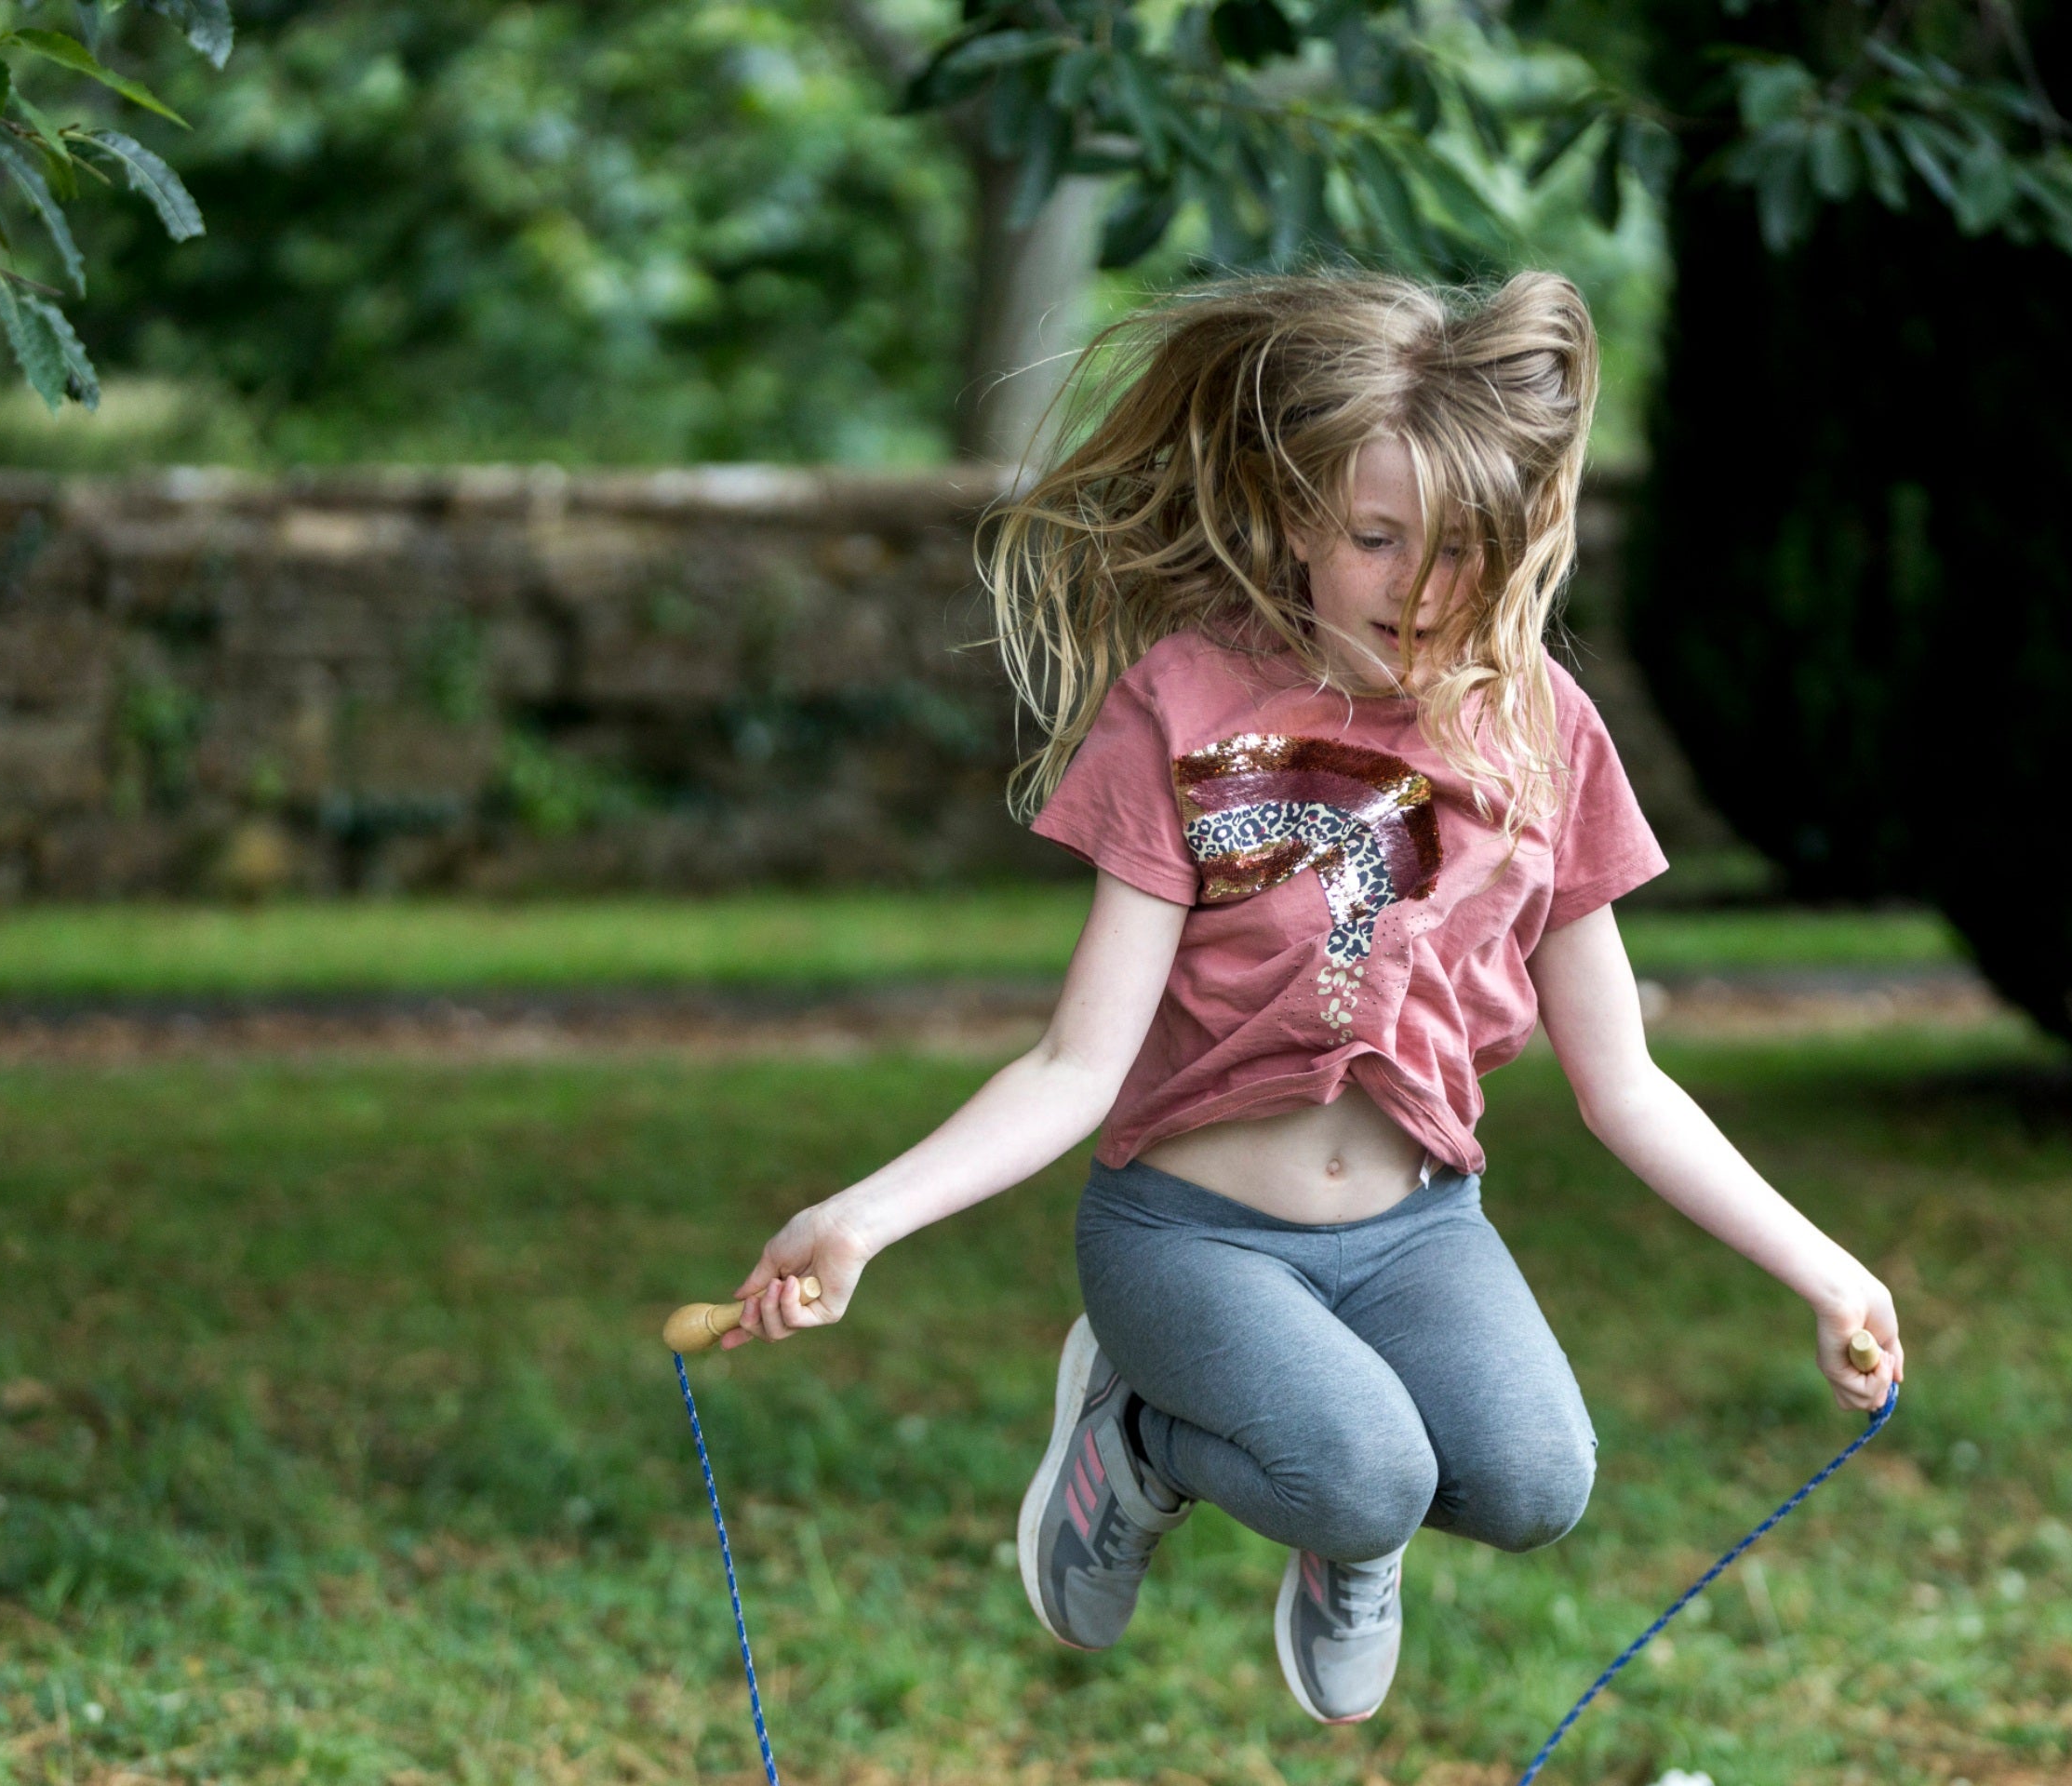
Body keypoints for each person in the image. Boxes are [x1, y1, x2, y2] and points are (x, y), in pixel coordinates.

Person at [721, 271, 1905, 1726]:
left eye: (1467, 544)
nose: (1422, 586)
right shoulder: (1189, 700)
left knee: (1537, 1484)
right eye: (1375, 538)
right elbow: (1072, 1064)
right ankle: (1144, 1435)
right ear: (1298, 523)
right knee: (1367, 1475)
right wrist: (864, 1217)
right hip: (1188, 1238)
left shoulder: (1547, 732)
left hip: (1419, 1235)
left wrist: (1827, 1267)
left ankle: (1323, 1510)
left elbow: (1628, 1084)